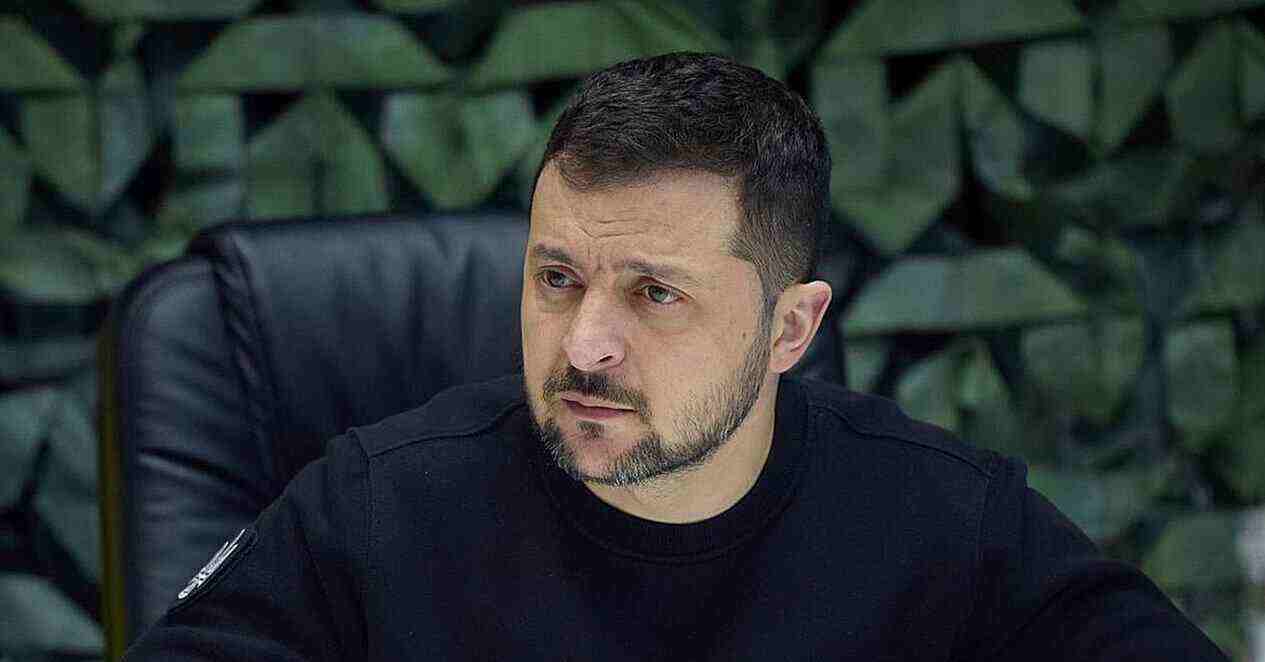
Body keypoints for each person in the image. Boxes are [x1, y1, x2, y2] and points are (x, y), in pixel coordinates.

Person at [125, 52, 1228, 661]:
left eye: (655, 293)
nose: (583, 344)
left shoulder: (945, 519)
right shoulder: (375, 505)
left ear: (790, 328)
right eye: (556, 278)